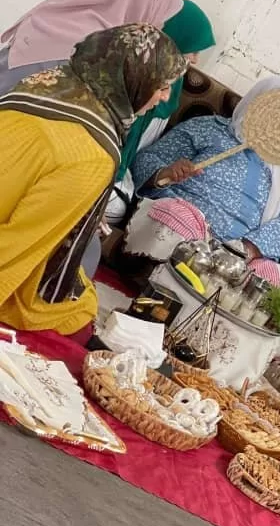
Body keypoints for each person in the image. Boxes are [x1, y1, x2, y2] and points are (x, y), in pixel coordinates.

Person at [0, 24, 186, 334]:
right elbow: (20, 241)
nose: (165, 96)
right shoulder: (94, 155)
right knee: (80, 309)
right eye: (162, 86)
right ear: (133, 79)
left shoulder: (45, 83)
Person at [130, 76, 280, 262]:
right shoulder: (209, 128)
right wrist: (166, 172)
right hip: (183, 217)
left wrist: (245, 250)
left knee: (271, 276)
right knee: (179, 231)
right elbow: (147, 158)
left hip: (242, 252)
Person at [0, 0, 183, 92]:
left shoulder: (65, 2)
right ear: (145, 5)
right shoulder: (100, 53)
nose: (160, 26)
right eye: (161, 16)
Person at [107, 0, 216, 224]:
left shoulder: (175, 83)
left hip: (124, 168)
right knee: (115, 207)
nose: (195, 60)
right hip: (101, 161)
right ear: (176, 39)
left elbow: (141, 151)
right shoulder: (134, 73)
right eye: (194, 49)